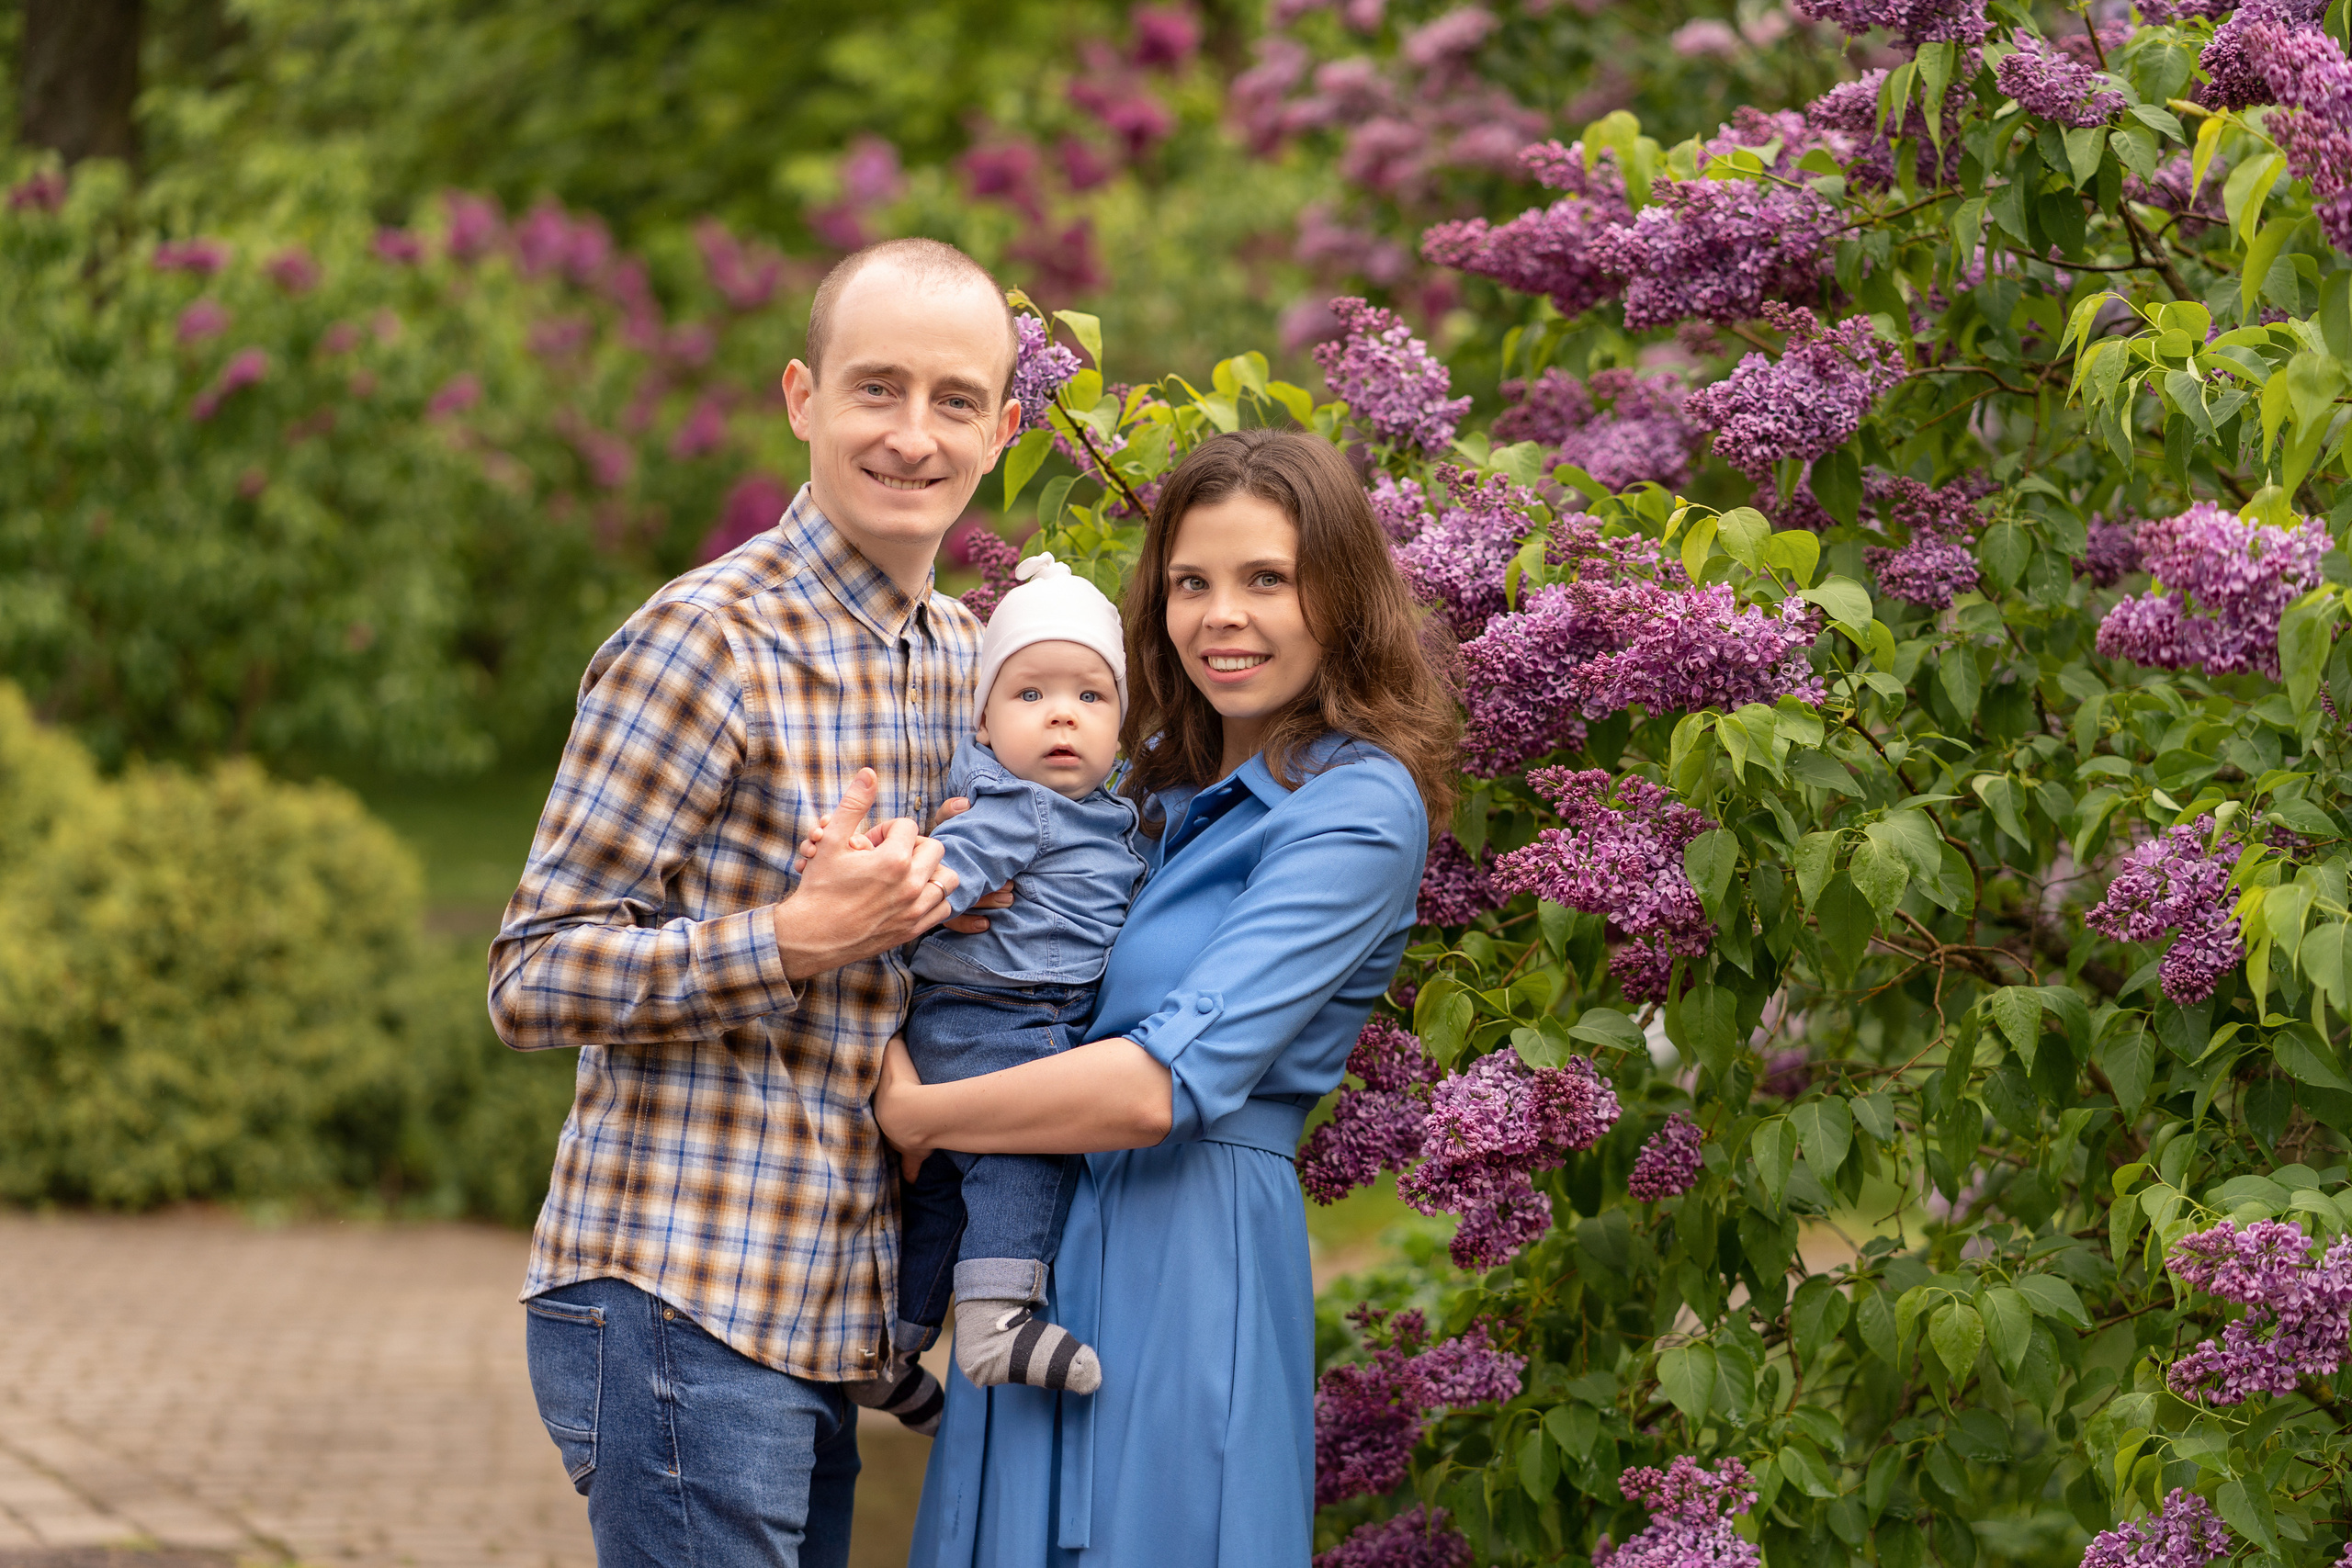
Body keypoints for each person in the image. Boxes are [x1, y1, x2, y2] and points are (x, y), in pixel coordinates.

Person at [487, 236, 1025, 1568]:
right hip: (684, 1291)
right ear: (802, 396)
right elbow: (532, 971)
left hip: (832, 1304)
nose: (914, 435)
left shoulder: (977, 661)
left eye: (955, 400)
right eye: (876, 389)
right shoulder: (706, 638)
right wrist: (792, 938)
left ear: (1005, 429)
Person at [877, 428, 1463, 1566]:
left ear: (1340, 595)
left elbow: (1159, 1087)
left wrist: (919, 1113)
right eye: (1191, 583)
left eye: (1266, 580)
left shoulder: (1353, 808)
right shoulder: (1143, 785)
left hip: (1186, 1248)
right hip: (1044, 1235)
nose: (1219, 617)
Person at [891, 552, 1146, 1404]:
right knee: (1027, 1150)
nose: (1062, 717)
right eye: (1031, 695)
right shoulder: (1016, 805)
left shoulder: (1103, 812)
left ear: (1121, 723)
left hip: (977, 1019)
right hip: (1004, 1017)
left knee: (946, 1199)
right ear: (986, 724)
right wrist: (908, 885)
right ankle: (997, 1320)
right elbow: (945, 872)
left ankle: (889, 1345)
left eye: (1090, 696)